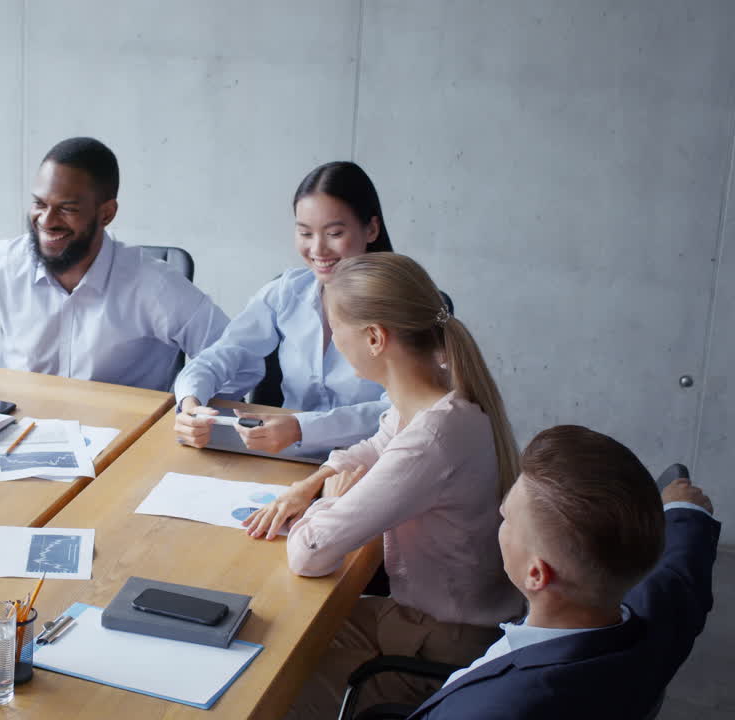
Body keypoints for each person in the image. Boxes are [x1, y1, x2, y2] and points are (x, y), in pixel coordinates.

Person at [242, 252, 524, 716]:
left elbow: (310, 552)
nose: (332, 341)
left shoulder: (432, 439)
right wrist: (311, 484)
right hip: (430, 622)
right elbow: (377, 445)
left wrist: (328, 503)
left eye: (335, 329)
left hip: (436, 645)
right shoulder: (441, 397)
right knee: (269, 638)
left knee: (265, 689)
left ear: (374, 338)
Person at [410, 429, 720, 719]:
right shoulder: (660, 623)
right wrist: (684, 511)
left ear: (536, 574)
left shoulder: (492, 708)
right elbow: (683, 567)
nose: (499, 517)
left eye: (507, 518)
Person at [0, 136, 229, 392]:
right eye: (39, 203)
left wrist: (189, 408)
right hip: (16, 431)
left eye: (67, 209)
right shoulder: (2, 263)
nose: (46, 221)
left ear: (106, 214)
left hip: (122, 438)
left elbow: (232, 357)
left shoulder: (153, 284)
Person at [174, 161, 391, 457]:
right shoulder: (288, 290)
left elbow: (403, 409)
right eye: (305, 233)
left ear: (371, 229)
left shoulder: (404, 306)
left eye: (334, 233)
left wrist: (303, 428)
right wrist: (190, 402)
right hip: (286, 455)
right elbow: (224, 353)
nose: (318, 249)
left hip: (369, 461)